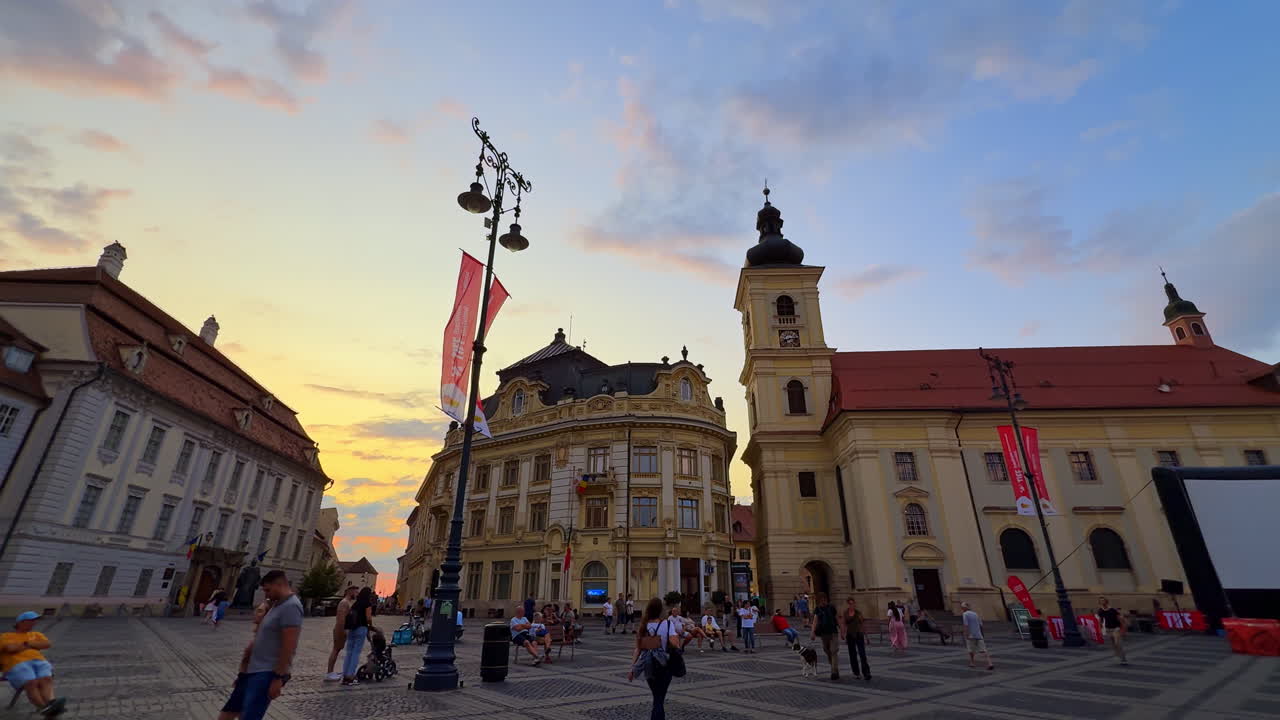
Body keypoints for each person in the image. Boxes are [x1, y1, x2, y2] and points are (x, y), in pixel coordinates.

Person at [219, 570, 301, 720]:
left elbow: (289, 645)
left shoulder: (291, 606)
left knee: (249, 716)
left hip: (266, 673)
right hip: (251, 671)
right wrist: (243, 672)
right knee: (227, 714)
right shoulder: (276, 604)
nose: (266, 594)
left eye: (268, 590)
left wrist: (278, 677)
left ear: (280, 584)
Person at [628, 597, 682, 720]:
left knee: (657, 697)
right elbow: (676, 644)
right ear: (661, 610)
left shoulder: (643, 626)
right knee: (659, 699)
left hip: (649, 666)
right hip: (664, 666)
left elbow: (638, 649)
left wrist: (632, 669)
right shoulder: (668, 624)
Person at [2, 611, 63, 716]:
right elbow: (10, 648)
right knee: (31, 683)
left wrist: (26, 644)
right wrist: (32, 645)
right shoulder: (6, 636)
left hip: (38, 661)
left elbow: (47, 644)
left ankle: (51, 704)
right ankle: (44, 708)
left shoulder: (36, 634)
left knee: (46, 679)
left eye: (35, 621)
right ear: (20, 622)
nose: (34, 623)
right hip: (16, 663)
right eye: (31, 621)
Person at [341, 587, 374, 685]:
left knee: (349, 652)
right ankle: (351, 676)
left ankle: (345, 675)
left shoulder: (355, 604)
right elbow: (368, 618)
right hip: (361, 628)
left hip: (352, 629)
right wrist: (371, 625)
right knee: (356, 653)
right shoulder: (367, 604)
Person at [325, 586, 358, 681]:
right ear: (350, 592)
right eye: (355, 592)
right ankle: (329, 673)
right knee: (335, 650)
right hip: (340, 629)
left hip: (341, 629)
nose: (356, 594)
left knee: (337, 649)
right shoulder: (344, 603)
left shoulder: (347, 602)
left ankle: (331, 672)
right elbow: (341, 619)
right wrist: (344, 631)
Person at [810, 592, 840, 680]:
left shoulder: (831, 607)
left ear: (826, 599)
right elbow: (815, 621)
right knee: (827, 651)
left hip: (833, 632)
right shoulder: (818, 609)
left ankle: (834, 671)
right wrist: (812, 632)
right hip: (823, 634)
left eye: (824, 599)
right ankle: (834, 667)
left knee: (833, 650)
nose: (823, 601)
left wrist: (842, 630)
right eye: (821, 600)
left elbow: (837, 618)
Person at [841, 597, 871, 681]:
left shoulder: (858, 613)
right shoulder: (845, 613)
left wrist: (867, 637)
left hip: (859, 635)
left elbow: (862, 625)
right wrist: (842, 633)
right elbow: (843, 623)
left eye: (853, 603)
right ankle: (856, 672)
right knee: (852, 655)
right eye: (850, 604)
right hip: (850, 635)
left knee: (862, 654)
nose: (852, 605)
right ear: (848, 604)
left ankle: (866, 673)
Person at [960, 602, 994, 671]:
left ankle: (972, 662)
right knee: (983, 650)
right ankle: (990, 663)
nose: (962, 608)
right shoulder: (975, 614)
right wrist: (982, 633)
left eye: (962, 607)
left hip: (971, 635)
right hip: (978, 634)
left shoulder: (965, 614)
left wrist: (966, 634)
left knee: (971, 649)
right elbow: (980, 624)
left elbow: (966, 625)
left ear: (965, 608)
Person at [1096, 597, 1127, 665]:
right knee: (1113, 644)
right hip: (1108, 629)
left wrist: (1123, 629)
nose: (1102, 602)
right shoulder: (1100, 611)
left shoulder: (1113, 610)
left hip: (1116, 629)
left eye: (1103, 601)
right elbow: (1100, 621)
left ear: (1106, 602)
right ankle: (1117, 655)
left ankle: (1123, 658)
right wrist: (1100, 630)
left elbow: (1120, 619)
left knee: (1118, 643)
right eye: (1100, 601)